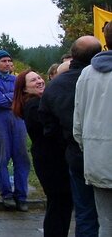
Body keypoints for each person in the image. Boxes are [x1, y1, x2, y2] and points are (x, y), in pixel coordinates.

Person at [40, 36, 103, 237]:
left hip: (74, 153)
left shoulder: (55, 86)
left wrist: (67, 143)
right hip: (100, 154)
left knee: (84, 213)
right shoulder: (99, 80)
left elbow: (48, 125)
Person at [12, 70, 73, 237]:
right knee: (58, 205)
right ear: (24, 89)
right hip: (51, 161)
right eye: (33, 81)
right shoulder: (33, 106)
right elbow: (51, 131)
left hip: (50, 159)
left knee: (60, 205)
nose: (39, 81)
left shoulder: (38, 102)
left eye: (39, 77)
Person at [74, 23, 112, 237]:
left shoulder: (86, 74)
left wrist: (88, 147)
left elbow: (77, 122)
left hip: (97, 158)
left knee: (105, 223)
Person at [0, 49, 31, 210]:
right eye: (3, 61)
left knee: (22, 159)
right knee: (2, 159)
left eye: (9, 61)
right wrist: (14, 97)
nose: (7, 64)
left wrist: (10, 97)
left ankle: (21, 196)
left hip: (18, 122)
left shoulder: (16, 80)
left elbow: (25, 97)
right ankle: (6, 194)